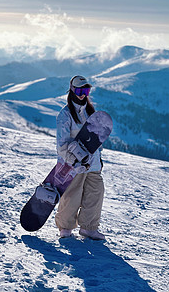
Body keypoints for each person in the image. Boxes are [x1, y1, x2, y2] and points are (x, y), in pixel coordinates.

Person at [55, 75, 105, 240]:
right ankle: (66, 227)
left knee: (95, 193)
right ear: (72, 91)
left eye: (86, 90)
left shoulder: (91, 111)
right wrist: (73, 160)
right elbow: (62, 144)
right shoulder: (65, 114)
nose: (83, 94)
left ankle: (88, 227)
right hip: (74, 164)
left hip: (93, 163)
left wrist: (99, 157)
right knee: (72, 194)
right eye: (79, 90)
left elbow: (96, 138)